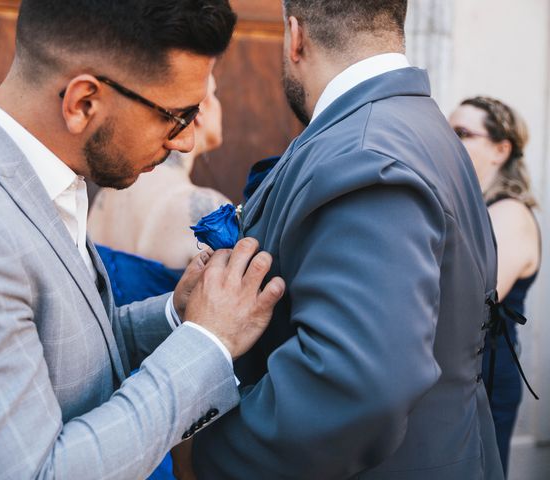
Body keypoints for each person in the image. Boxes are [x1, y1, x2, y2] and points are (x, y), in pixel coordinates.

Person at [0, 1, 286, 479]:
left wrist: (178, 314)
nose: (187, 141)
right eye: (177, 115)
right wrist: (206, 342)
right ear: (83, 102)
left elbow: (65, 356)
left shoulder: (42, 176)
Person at [174, 1, 505, 479]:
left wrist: (211, 457)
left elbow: (359, 381)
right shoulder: (420, 124)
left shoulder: (365, 152)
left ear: (295, 37)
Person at [449, 96, 541, 476]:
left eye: (462, 133)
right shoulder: (474, 207)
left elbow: (469, 298)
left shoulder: (510, 213)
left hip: (485, 378)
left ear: (501, 149)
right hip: (463, 374)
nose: (450, 140)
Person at [87, 75, 229, 306]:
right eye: (215, 94)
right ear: (197, 113)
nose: (218, 105)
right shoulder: (207, 207)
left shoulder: (106, 197)